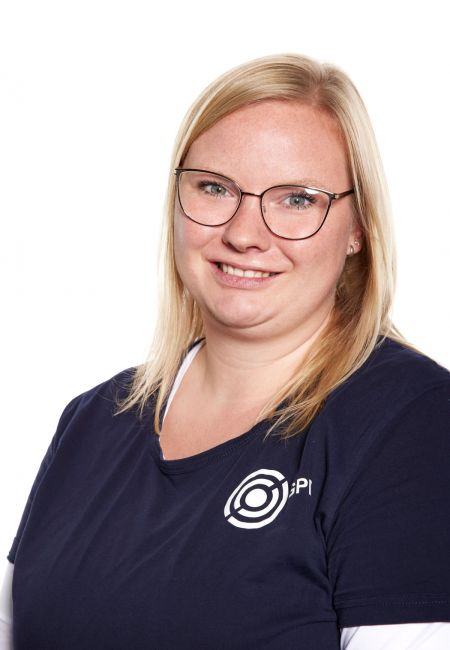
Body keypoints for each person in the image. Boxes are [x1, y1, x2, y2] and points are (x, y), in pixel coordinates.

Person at [1, 52, 449, 649]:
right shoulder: (93, 420)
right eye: (215, 188)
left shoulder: (413, 423)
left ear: (358, 228)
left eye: (297, 199)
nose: (243, 233)